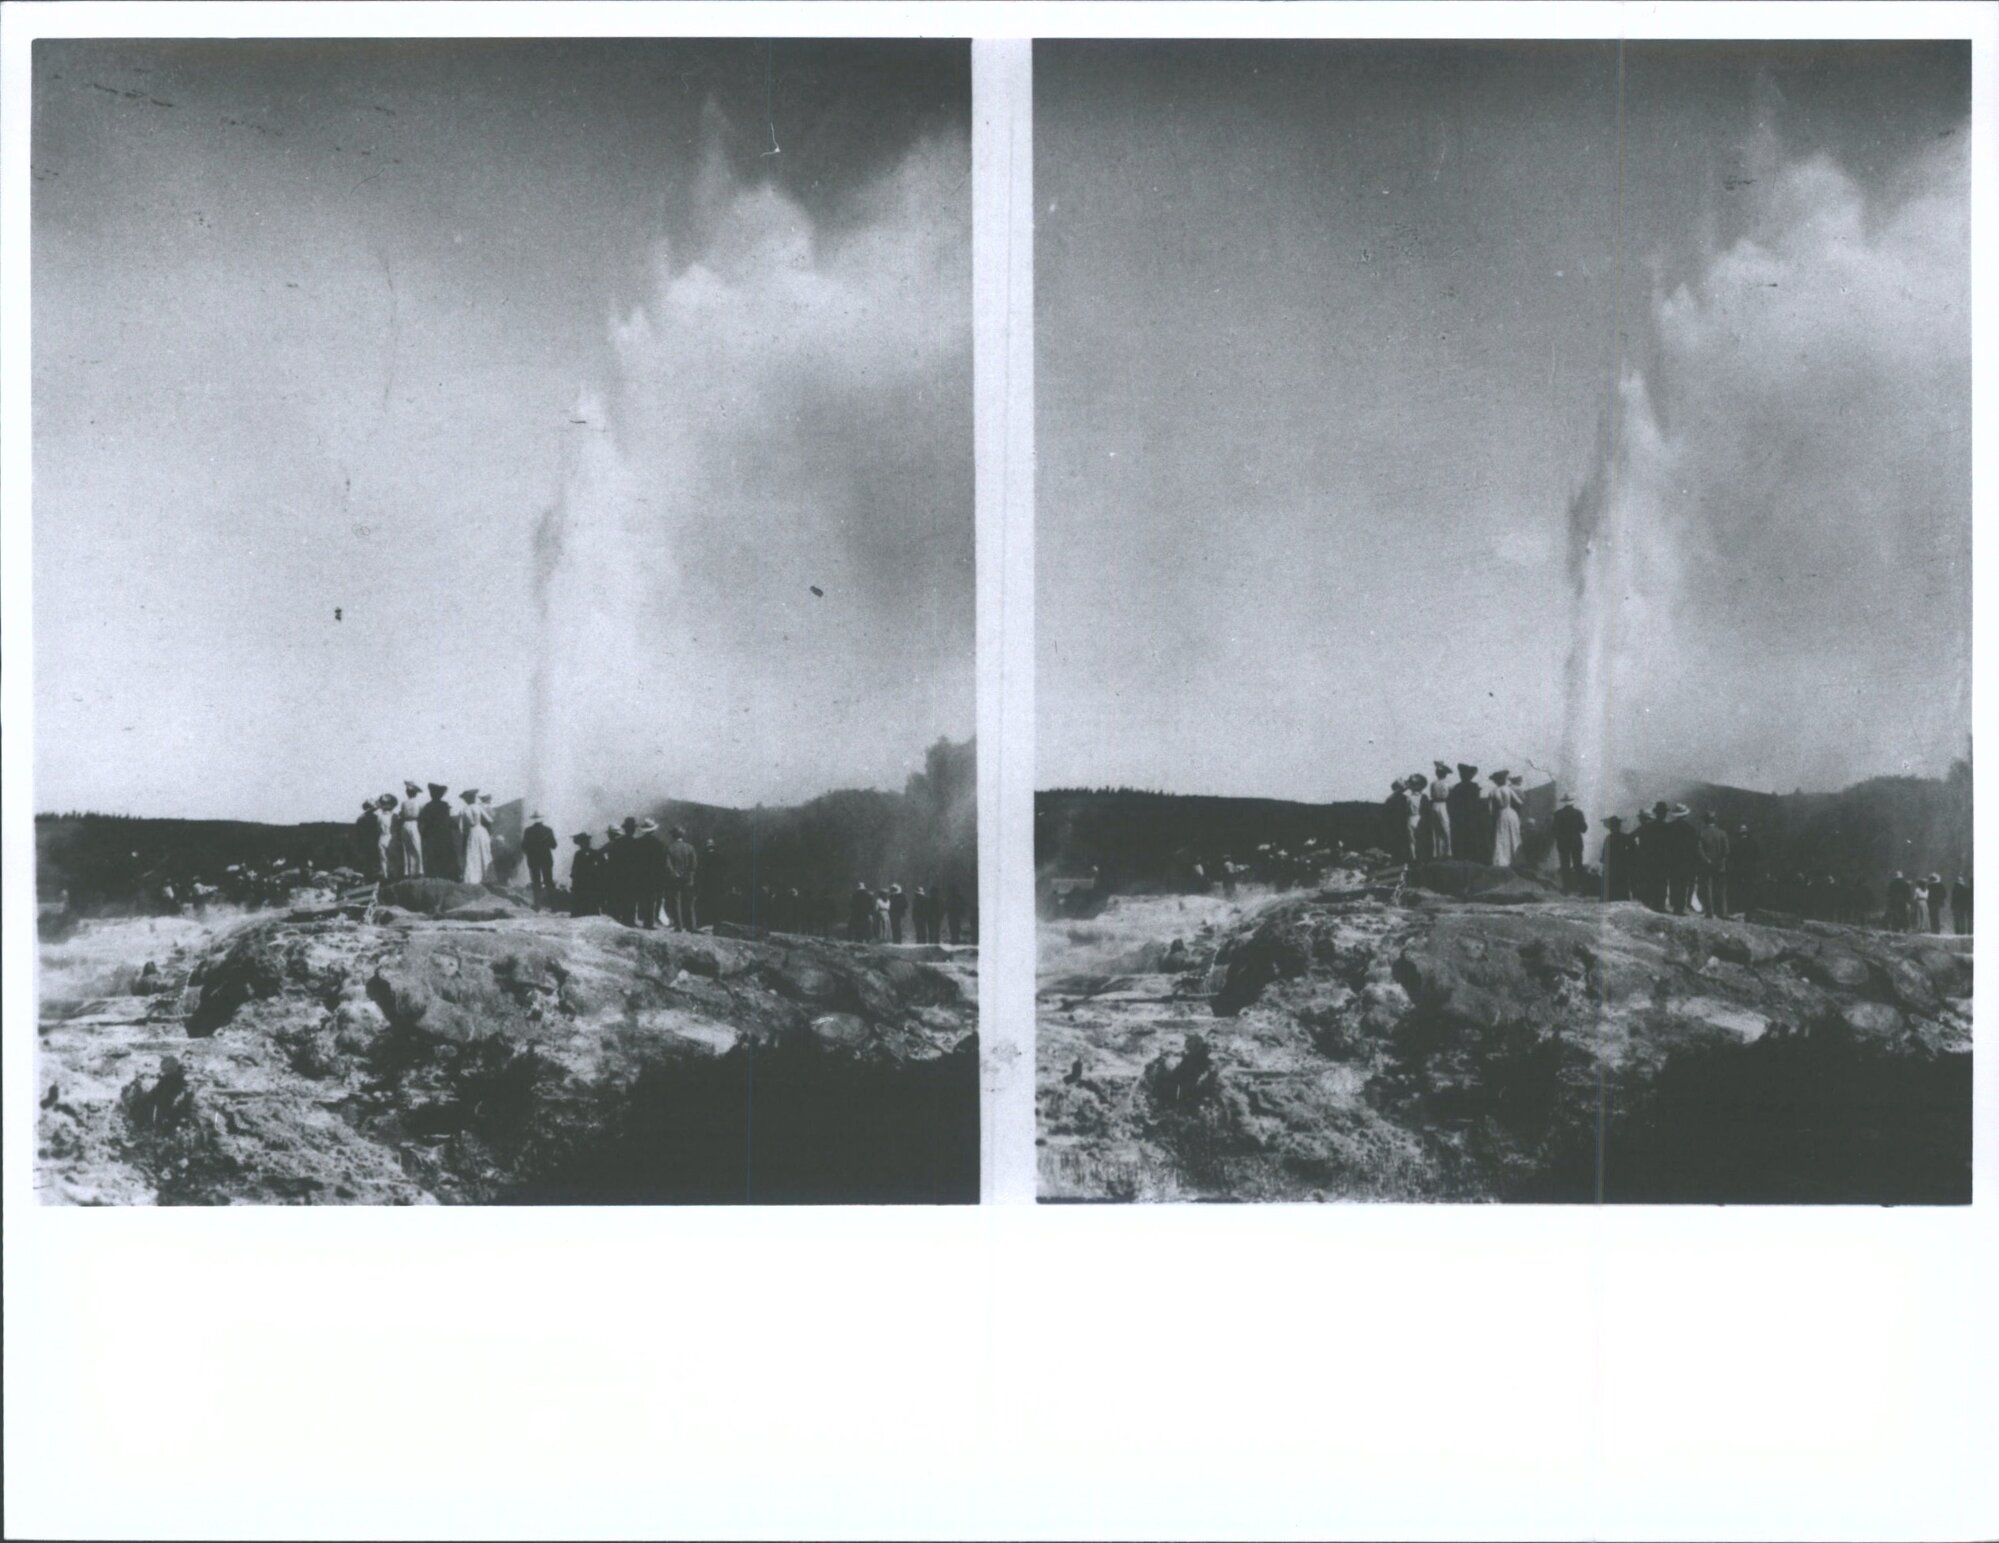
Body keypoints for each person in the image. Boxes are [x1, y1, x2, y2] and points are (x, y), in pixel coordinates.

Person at [1659, 804, 1701, 915]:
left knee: (1673, 883)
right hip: (1685, 861)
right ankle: (1679, 908)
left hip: (1672, 860)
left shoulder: (1668, 827)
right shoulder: (1690, 829)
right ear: (1686, 815)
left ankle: (1673, 904)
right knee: (1683, 885)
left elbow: (1664, 845)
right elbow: (1694, 848)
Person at [418, 783, 458, 880]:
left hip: (432, 834)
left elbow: (424, 821)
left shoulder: (428, 806)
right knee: (446, 853)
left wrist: (423, 833)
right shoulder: (445, 806)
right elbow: (449, 820)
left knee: (433, 854)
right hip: (445, 834)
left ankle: (435, 874)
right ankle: (449, 875)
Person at [1447, 763, 1486, 861]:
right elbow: (1477, 802)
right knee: (1472, 834)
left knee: (1461, 835)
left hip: (1460, 816)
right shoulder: (1474, 787)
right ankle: (1472, 855)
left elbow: (1452, 803)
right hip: (1472, 814)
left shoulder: (1457, 787)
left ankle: (1461, 855)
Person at [1696, 811, 1730, 919]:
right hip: (1720, 865)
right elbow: (1727, 851)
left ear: (1706, 821)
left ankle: (1709, 913)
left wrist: (1707, 860)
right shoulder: (1723, 833)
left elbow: (1699, 850)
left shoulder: (1702, 833)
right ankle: (1723, 913)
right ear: (1715, 821)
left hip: (1707, 865)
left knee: (1708, 889)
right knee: (1721, 890)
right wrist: (1720, 860)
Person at [1486, 771, 1524, 868]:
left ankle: (1503, 859)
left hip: (1501, 814)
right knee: (1514, 834)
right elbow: (1519, 802)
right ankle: (1515, 858)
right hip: (1511, 813)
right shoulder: (1508, 789)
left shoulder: (1492, 791)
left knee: (1502, 835)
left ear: (1495, 781)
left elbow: (1490, 810)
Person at [1418, 761, 1453, 863]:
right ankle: (1446, 852)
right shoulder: (1447, 783)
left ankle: (1438, 852)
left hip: (1436, 805)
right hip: (1442, 804)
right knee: (1445, 828)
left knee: (1437, 829)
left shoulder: (1434, 783)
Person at [665, 826, 698, 931]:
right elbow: (694, 865)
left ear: (673, 836)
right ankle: (692, 926)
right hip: (688, 879)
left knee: (676, 902)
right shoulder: (690, 847)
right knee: (689, 903)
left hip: (675, 879)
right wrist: (689, 875)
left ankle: (679, 926)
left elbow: (668, 865)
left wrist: (675, 874)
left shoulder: (670, 848)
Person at [522, 812, 558, 908]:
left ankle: (537, 905)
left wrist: (531, 852)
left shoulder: (528, 831)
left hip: (533, 860)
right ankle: (553, 905)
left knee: (536, 882)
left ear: (533, 819)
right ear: (542, 819)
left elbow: (524, 846)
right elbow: (554, 845)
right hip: (546, 858)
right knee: (549, 882)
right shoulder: (548, 830)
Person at [1552, 795, 1588, 890]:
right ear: (1573, 802)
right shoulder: (1578, 813)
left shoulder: (1558, 814)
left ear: (1563, 802)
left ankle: (1566, 887)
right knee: (1578, 864)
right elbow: (1584, 829)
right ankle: (1581, 886)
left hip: (1563, 842)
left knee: (1565, 865)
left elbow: (1554, 830)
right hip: (1576, 841)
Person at [457, 789, 493, 884]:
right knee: (484, 852)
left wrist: (466, 830)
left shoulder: (463, 810)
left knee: (473, 854)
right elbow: (489, 820)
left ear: (466, 799)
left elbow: (460, 828)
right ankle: (487, 877)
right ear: (473, 798)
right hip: (481, 831)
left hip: (472, 832)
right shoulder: (478, 807)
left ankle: (473, 879)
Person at [393, 781, 425, 879]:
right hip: (414, 823)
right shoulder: (419, 803)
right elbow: (422, 815)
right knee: (416, 847)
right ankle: (419, 870)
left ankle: (408, 871)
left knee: (407, 848)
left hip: (405, 824)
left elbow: (401, 814)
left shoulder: (404, 803)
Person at [1600, 814, 1636, 901]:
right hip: (1622, 866)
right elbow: (1634, 850)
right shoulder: (1625, 837)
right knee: (1622, 885)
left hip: (1612, 866)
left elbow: (1604, 856)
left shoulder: (1608, 838)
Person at [568, 832, 602, 917]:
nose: (583, 844)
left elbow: (601, 866)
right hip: (581, 882)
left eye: (585, 842)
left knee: (590, 901)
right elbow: (574, 868)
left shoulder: (594, 853)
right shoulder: (578, 854)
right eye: (581, 843)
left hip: (591, 882)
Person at [1381, 780, 1413, 863]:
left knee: (1396, 840)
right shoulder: (1403, 798)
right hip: (1400, 821)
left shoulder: (1390, 798)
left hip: (1393, 822)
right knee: (1402, 840)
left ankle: (1397, 858)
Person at [1732, 825, 1759, 913]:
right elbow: (1758, 857)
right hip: (1751, 870)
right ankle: (1750, 908)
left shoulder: (1736, 844)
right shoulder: (1753, 843)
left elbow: (1733, 858)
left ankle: (1739, 908)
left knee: (1739, 889)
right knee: (1750, 889)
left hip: (1739, 870)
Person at [354, 799, 383, 878]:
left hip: (365, 842)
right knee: (375, 860)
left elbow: (358, 832)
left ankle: (368, 876)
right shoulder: (376, 818)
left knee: (367, 861)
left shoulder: (360, 818)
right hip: (374, 841)